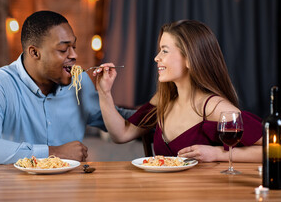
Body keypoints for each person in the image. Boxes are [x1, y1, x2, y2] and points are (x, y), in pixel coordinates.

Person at [0, 11, 134, 165]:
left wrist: (157, 111)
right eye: (63, 49)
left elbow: (113, 119)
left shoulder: (79, 80)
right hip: (15, 191)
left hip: (70, 191)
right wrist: (53, 152)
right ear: (34, 53)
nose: (74, 55)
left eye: (73, 47)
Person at [94, 20, 262, 162]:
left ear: (190, 58)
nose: (156, 57)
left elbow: (275, 148)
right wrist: (104, 93)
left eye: (164, 51)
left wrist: (218, 153)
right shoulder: (163, 99)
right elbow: (121, 134)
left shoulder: (213, 107)